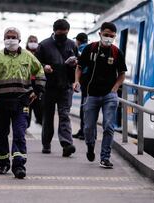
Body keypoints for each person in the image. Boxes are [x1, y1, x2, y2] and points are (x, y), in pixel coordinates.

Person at [0, 27, 45, 179]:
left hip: (22, 102)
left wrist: (38, 90)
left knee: (19, 133)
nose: (10, 39)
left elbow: (40, 72)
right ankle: (3, 163)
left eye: (13, 36)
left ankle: (19, 165)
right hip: (1, 102)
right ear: (4, 39)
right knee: (1, 134)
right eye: (8, 37)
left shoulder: (28, 57)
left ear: (19, 39)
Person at [74, 22, 127, 169]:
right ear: (100, 34)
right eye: (106, 35)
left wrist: (115, 88)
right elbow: (79, 68)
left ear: (115, 37)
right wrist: (76, 81)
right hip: (91, 95)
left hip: (109, 95)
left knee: (109, 126)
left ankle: (105, 158)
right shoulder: (90, 49)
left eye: (111, 36)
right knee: (88, 128)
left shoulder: (117, 52)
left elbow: (122, 74)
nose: (108, 38)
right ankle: (90, 146)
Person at [35, 19, 78, 157]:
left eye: (64, 34)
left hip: (65, 86)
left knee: (64, 114)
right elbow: (35, 64)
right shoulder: (44, 45)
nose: (62, 37)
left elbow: (79, 64)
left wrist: (74, 68)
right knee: (48, 116)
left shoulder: (72, 44)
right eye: (60, 34)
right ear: (54, 31)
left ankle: (66, 144)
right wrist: (43, 67)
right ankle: (46, 143)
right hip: (48, 87)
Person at [72, 32, 89, 140]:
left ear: (78, 41)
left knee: (85, 107)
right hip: (89, 82)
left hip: (85, 82)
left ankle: (84, 132)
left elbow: (82, 66)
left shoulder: (80, 50)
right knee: (86, 107)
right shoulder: (91, 48)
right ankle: (82, 130)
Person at [25, 35, 43, 131]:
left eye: (34, 41)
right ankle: (25, 124)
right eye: (31, 41)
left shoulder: (41, 53)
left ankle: (40, 121)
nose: (33, 42)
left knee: (39, 106)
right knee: (27, 105)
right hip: (27, 82)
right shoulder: (23, 53)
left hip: (38, 82)